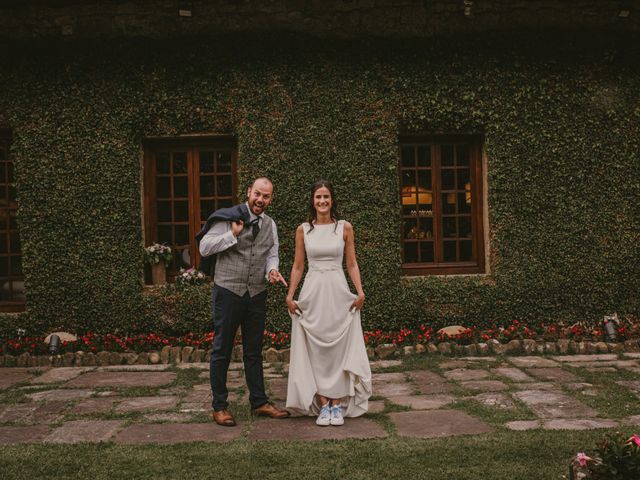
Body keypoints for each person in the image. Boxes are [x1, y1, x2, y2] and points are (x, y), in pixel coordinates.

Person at [199, 177, 290, 427]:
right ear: (248, 192)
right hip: (228, 291)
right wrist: (232, 234)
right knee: (222, 350)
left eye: (266, 196)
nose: (261, 200)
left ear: (271, 199)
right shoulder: (229, 218)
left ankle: (259, 402)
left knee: (253, 351)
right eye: (257, 194)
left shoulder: (270, 225)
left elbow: (272, 253)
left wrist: (272, 271)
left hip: (256, 294)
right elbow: (204, 248)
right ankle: (219, 406)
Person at [285, 180, 372, 426]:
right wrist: (290, 295)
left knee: (338, 348)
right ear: (312, 201)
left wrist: (360, 291)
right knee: (316, 350)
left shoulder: (344, 228)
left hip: (337, 291)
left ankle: (337, 404)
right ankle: (323, 405)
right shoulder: (303, 230)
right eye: (318, 197)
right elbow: (298, 265)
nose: (322, 201)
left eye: (326, 197)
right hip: (313, 292)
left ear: (332, 200)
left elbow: (352, 263)